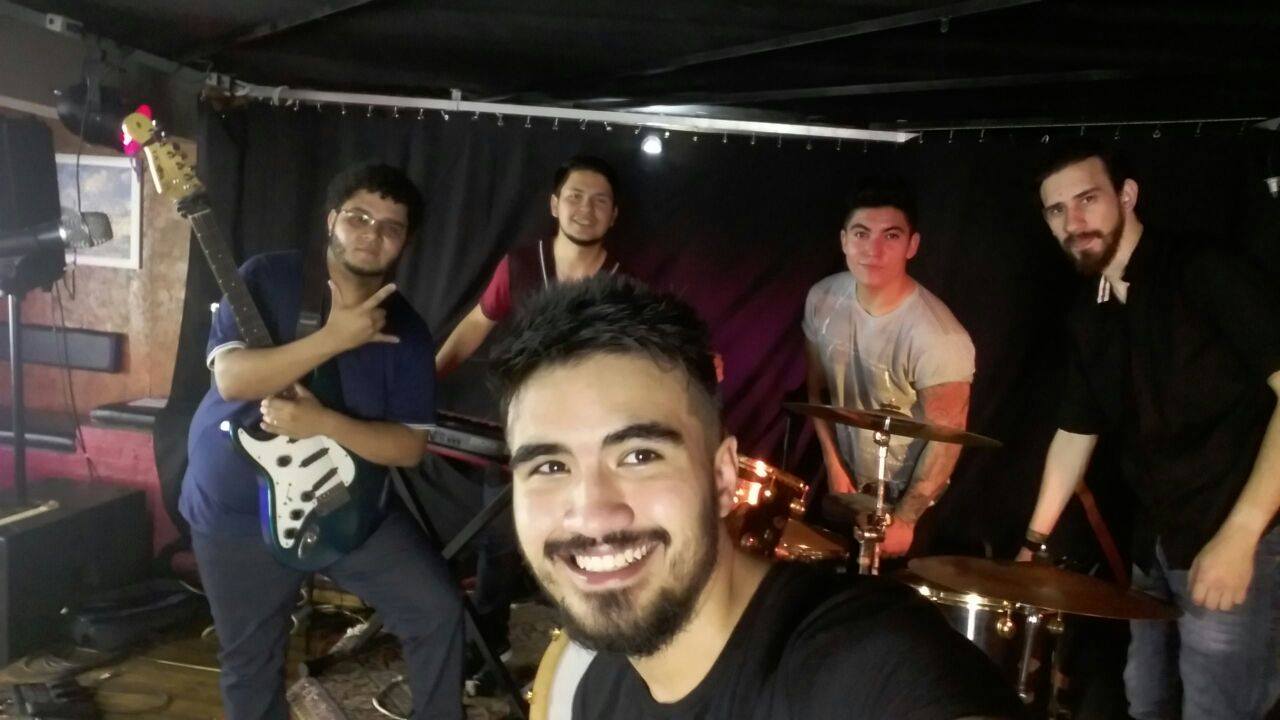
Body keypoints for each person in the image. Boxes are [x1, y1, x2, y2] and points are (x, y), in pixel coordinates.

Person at [492, 275, 1021, 719]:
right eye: (550, 466)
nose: (591, 513)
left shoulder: (862, 659)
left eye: (639, 455)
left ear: (724, 478)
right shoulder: (587, 688)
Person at [179, 163, 464, 720]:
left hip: (342, 504)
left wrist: (325, 423)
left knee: (437, 610)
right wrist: (335, 338)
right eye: (359, 217)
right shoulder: (269, 277)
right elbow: (232, 378)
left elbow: (409, 447)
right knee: (251, 666)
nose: (372, 234)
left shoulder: (407, 331)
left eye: (391, 227)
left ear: (405, 243)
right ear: (332, 220)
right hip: (237, 510)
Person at [1018, 139, 1280, 719]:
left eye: (1087, 199)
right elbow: (1074, 433)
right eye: (1057, 209)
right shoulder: (1090, 309)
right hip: (1155, 544)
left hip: (1238, 534)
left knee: (1217, 710)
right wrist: (1033, 545)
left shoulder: (1204, 273)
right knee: (1146, 700)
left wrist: (1241, 535)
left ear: (1127, 195)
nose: (1073, 222)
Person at [803, 178, 976, 557]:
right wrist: (833, 464)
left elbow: (946, 440)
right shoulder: (822, 298)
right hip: (845, 481)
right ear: (844, 240)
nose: (873, 250)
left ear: (912, 245)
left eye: (891, 236)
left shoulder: (939, 336)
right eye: (861, 234)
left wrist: (907, 519)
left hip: (910, 498)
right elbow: (817, 392)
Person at [434, 154, 622, 376]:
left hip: (594, 393)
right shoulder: (520, 266)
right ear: (555, 205)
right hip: (526, 390)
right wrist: (429, 378)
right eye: (575, 196)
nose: (586, 209)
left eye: (600, 201)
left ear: (613, 215)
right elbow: (477, 322)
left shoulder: (626, 279)